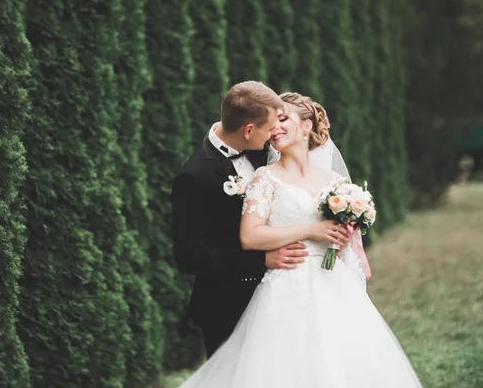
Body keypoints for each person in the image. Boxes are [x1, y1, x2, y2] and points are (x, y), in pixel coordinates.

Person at [178, 92, 422, 388]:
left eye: (283, 119)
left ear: (307, 126)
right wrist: (311, 232)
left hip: (332, 286)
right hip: (283, 286)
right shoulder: (264, 177)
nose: (275, 128)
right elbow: (249, 234)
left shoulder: (336, 182)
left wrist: (341, 239)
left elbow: (342, 237)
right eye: (272, 122)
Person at [171, 82, 325, 357]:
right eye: (269, 129)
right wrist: (260, 261)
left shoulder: (263, 150)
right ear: (249, 130)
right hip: (227, 304)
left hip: (282, 297)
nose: (274, 134)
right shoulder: (194, 177)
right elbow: (189, 256)